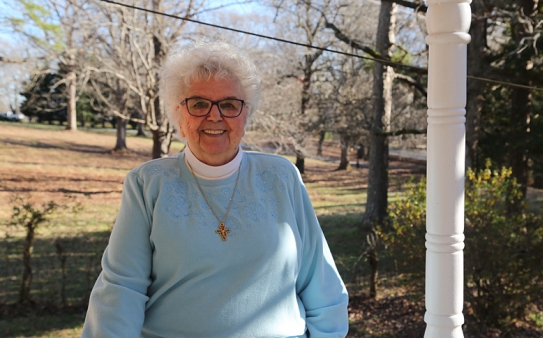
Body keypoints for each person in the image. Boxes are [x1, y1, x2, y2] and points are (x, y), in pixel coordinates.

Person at [81, 38, 349, 338]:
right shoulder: (147, 184)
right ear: (178, 115)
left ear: (246, 114)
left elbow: (322, 283)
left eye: (229, 104)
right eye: (198, 104)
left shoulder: (282, 177)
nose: (214, 116)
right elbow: (121, 290)